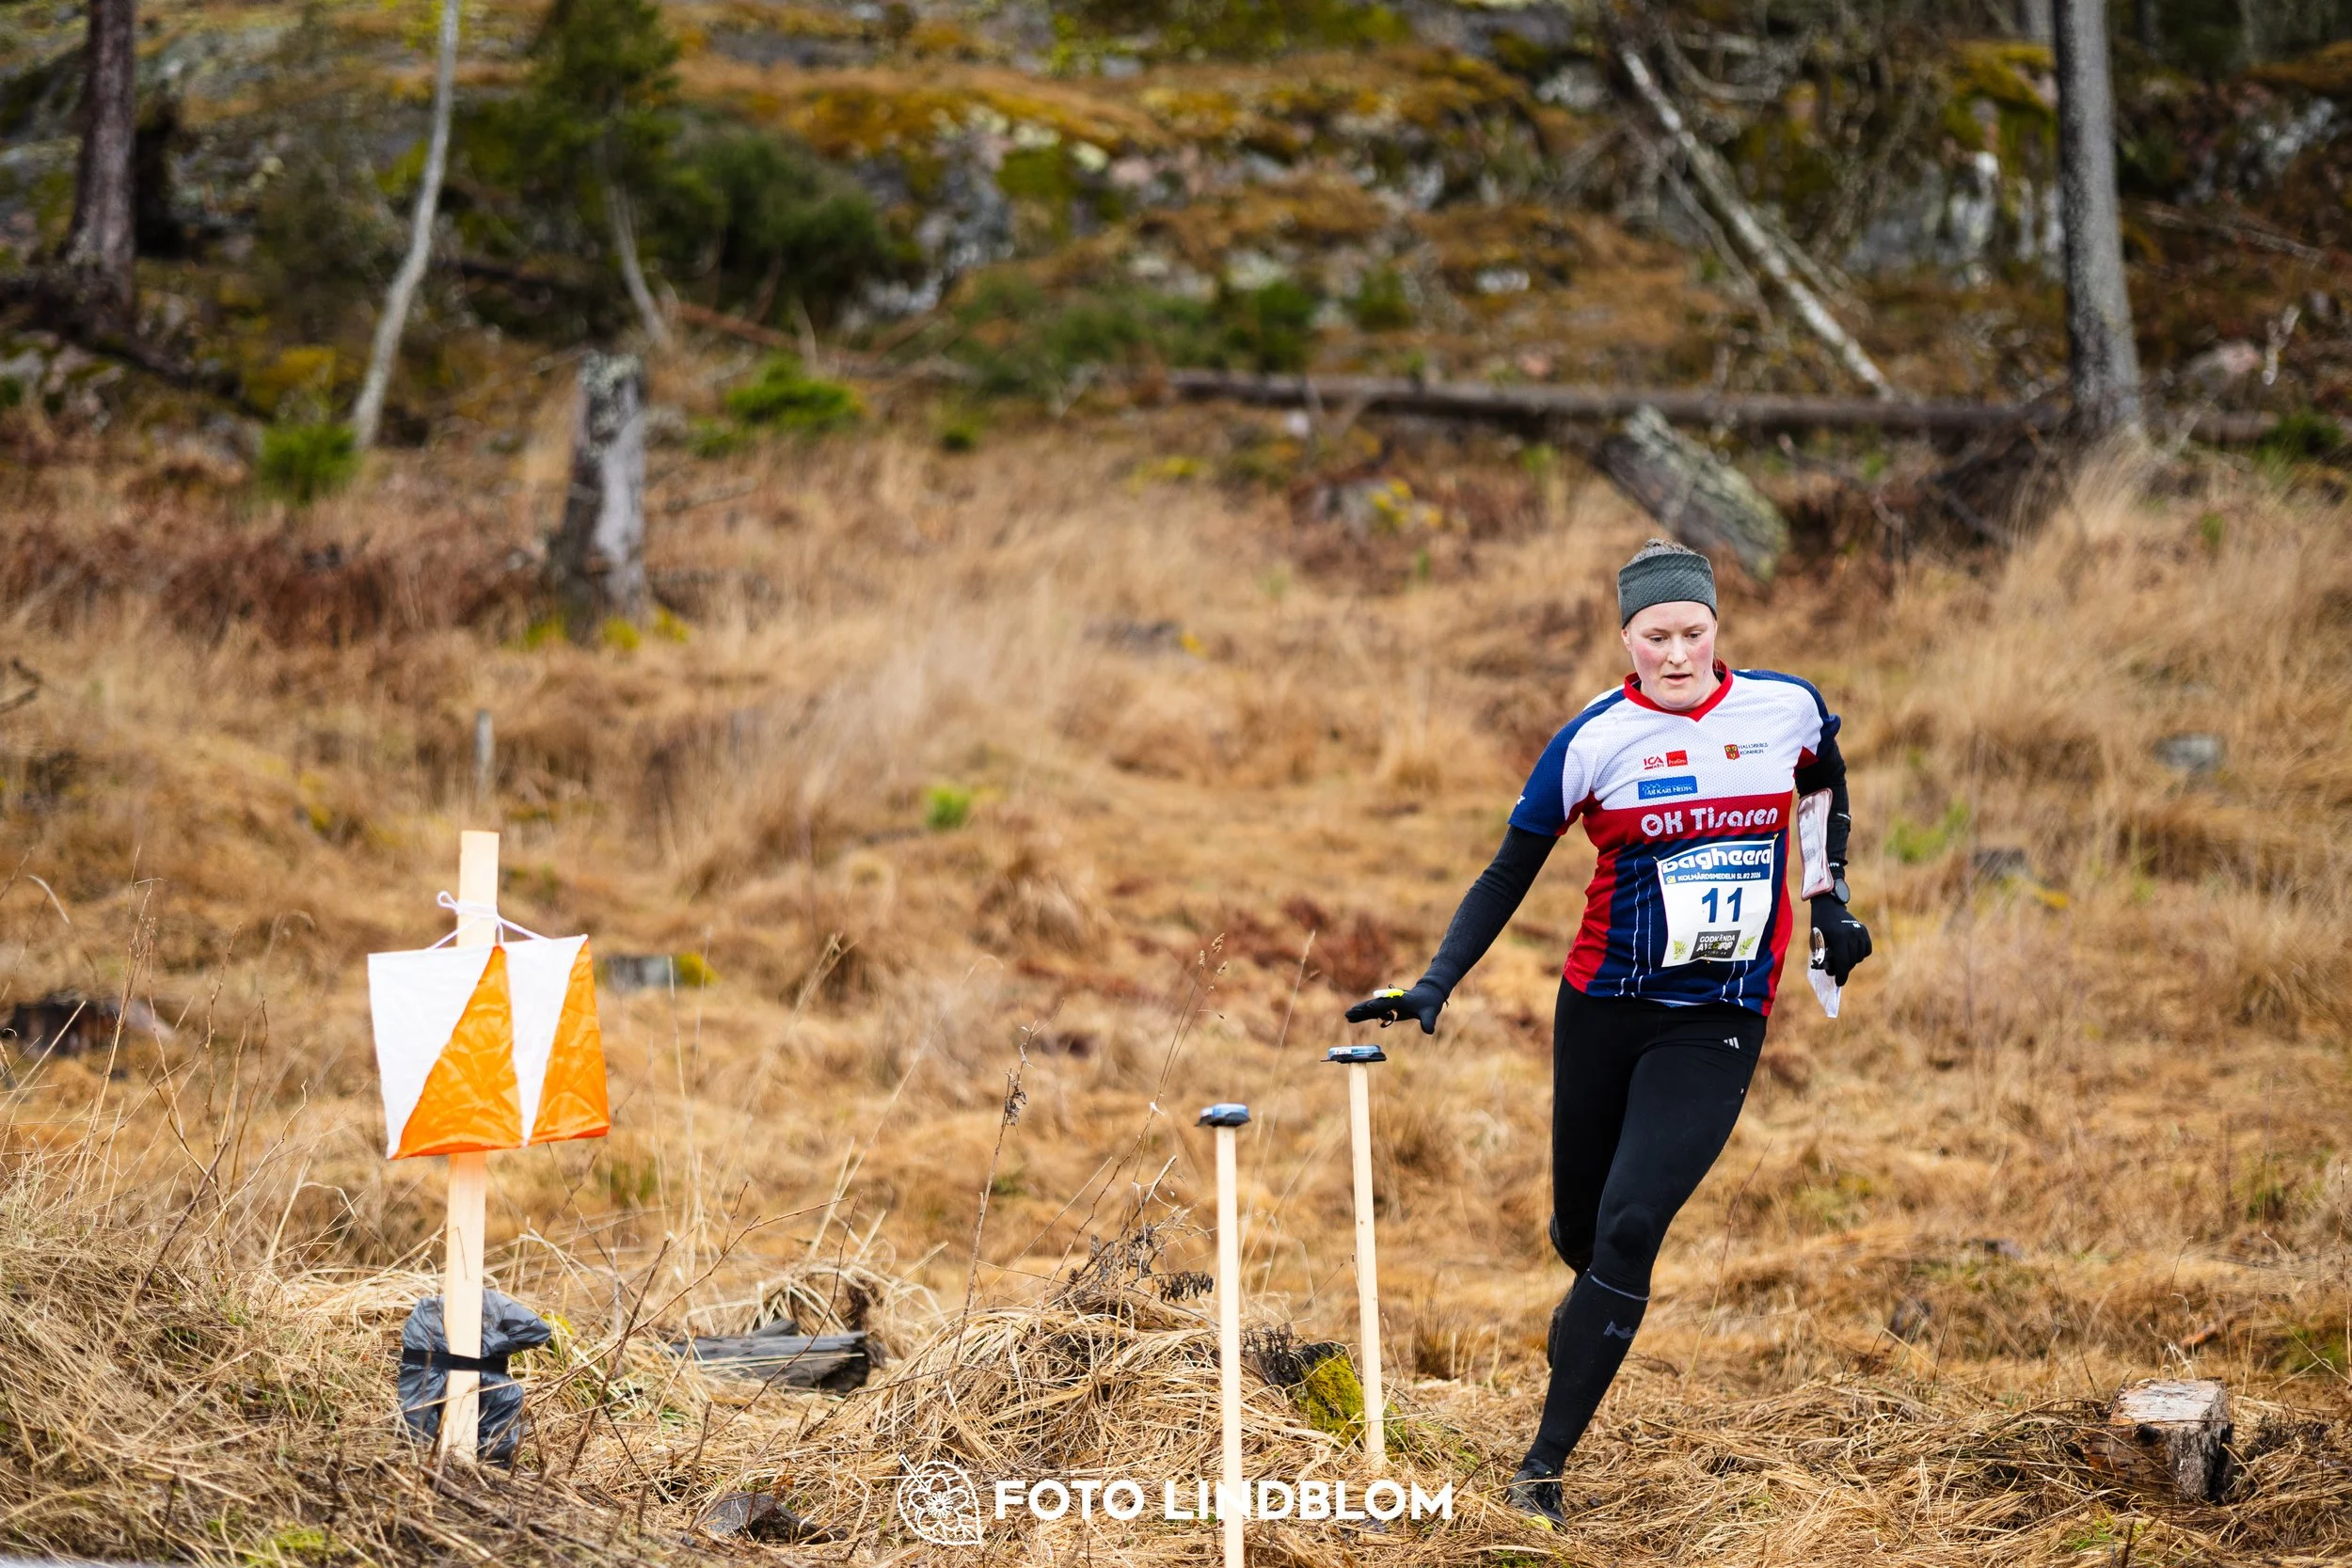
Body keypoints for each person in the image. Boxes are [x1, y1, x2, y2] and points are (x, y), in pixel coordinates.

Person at [1345, 538, 1872, 1527]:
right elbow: (1509, 869)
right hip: (1601, 1005)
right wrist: (1435, 979)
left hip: (1717, 1014)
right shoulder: (1595, 738)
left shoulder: (1783, 708)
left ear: (1717, 629)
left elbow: (1820, 781)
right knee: (1582, 1232)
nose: (1676, 654)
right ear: (1626, 636)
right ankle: (1592, 1304)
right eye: (1656, 636)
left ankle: (1540, 1468)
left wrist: (1827, 898)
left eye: (1694, 633)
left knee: (1631, 1226)